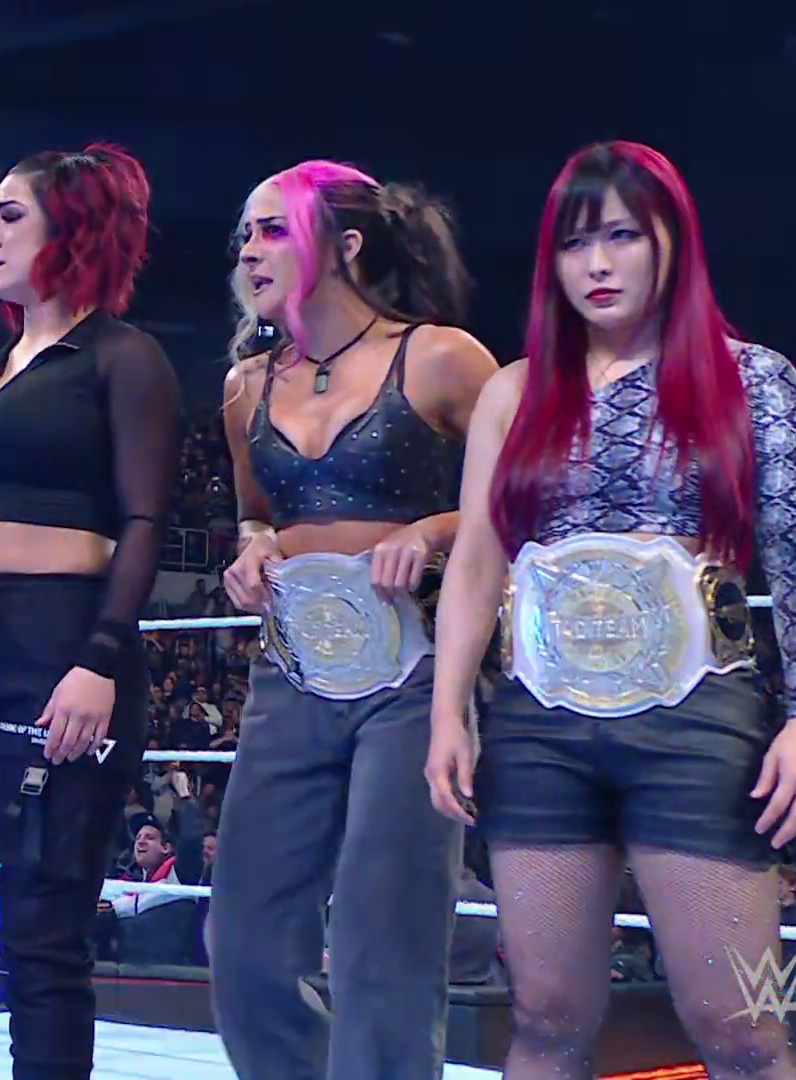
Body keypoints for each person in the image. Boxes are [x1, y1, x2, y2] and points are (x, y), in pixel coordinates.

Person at [424, 140, 796, 1079]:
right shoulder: (515, 390)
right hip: (538, 725)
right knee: (544, 1019)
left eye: (621, 237)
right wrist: (449, 710)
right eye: (575, 244)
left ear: (671, 243)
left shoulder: (756, 379)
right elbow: (478, 562)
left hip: (698, 724)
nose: (598, 265)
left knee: (746, 1028)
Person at [0, 144, 180, 1080]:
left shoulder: (124, 358)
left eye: (10, 215)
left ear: (73, 228)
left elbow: (145, 520)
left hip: (60, 640)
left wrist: (99, 655)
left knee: (44, 927)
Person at [209, 159, 499, 1080]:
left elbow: (519, 503)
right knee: (244, 938)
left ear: (345, 245)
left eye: (272, 229)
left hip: (413, 671)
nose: (249, 250)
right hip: (292, 670)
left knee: (383, 939)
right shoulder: (246, 386)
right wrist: (253, 547)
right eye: (245, 234)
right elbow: (256, 512)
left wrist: (432, 532)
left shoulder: (442, 358)